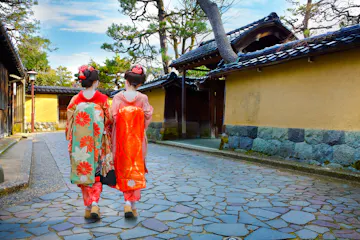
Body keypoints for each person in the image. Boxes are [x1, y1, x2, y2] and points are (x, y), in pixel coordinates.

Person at [65, 65, 114, 219]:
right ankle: (95, 205)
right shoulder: (103, 100)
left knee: (84, 174)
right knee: (97, 174)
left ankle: (88, 206)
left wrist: (71, 140)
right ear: (95, 82)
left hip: (80, 146)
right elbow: (110, 120)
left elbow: (69, 124)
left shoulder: (75, 100)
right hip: (98, 143)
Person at [112, 64, 153, 218]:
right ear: (140, 83)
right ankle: (132, 204)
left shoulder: (118, 97)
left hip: (121, 140)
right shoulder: (143, 98)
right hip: (137, 140)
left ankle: (127, 202)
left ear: (126, 81)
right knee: (136, 168)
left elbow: (113, 118)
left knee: (124, 168)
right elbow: (147, 116)